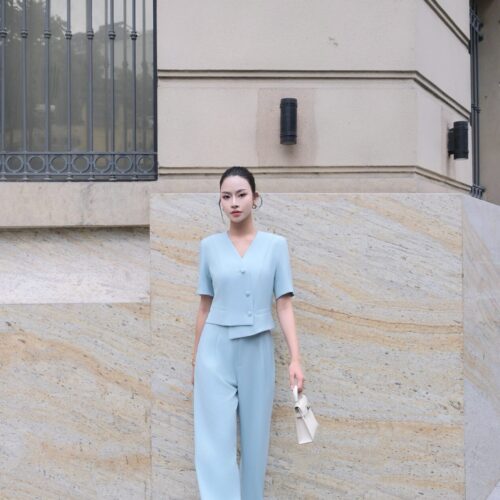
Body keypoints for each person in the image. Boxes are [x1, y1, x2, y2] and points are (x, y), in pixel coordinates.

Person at [191, 166, 305, 500]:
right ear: (220, 202)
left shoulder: (275, 246)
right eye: (226, 196)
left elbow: (284, 305)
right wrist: (195, 361)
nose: (234, 203)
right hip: (214, 351)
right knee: (214, 443)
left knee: (256, 443)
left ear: (255, 198)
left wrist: (295, 359)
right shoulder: (209, 247)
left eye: (241, 195)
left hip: (258, 349)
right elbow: (204, 307)